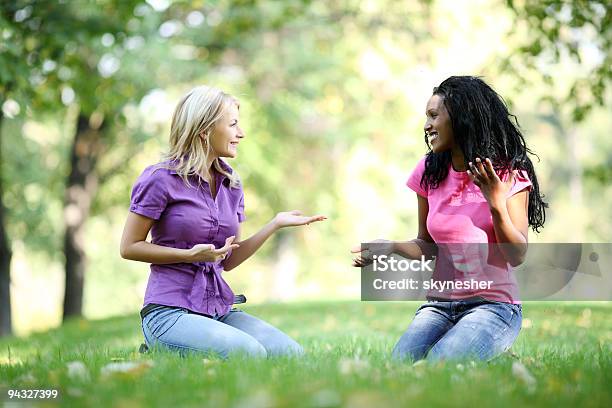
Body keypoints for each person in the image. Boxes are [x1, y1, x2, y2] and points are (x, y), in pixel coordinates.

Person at [120, 85, 326, 358]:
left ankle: (188, 351)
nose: (241, 134)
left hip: (217, 309)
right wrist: (188, 255)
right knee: (250, 353)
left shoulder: (231, 184)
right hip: (169, 311)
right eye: (233, 125)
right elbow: (129, 247)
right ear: (204, 130)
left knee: (292, 355)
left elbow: (228, 261)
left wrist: (273, 224)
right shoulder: (159, 179)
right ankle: (162, 348)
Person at [352, 76, 547, 362]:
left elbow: (517, 254)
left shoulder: (506, 172)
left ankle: (488, 345)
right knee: (398, 366)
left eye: (434, 115)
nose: (426, 125)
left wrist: (496, 204)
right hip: (440, 304)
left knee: (439, 366)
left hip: (492, 305)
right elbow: (427, 245)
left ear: (461, 118)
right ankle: (485, 353)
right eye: (426, 117)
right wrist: (391, 246)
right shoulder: (429, 171)